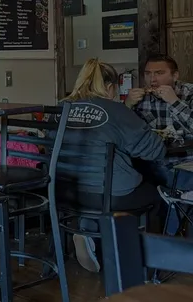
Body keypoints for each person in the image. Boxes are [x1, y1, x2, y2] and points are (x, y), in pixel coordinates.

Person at [57, 58, 165, 273]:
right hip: (108, 194)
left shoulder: (60, 108)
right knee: (156, 197)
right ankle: (146, 264)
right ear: (109, 87)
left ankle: (88, 230)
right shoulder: (116, 110)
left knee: (104, 191)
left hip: (66, 191)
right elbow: (155, 151)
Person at [125, 54, 193, 236]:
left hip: (185, 162)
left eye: (159, 73)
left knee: (175, 182)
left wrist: (174, 102)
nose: (152, 79)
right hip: (150, 162)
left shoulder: (190, 93)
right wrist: (127, 105)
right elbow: (123, 131)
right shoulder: (140, 97)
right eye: (148, 74)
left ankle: (170, 236)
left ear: (175, 75)